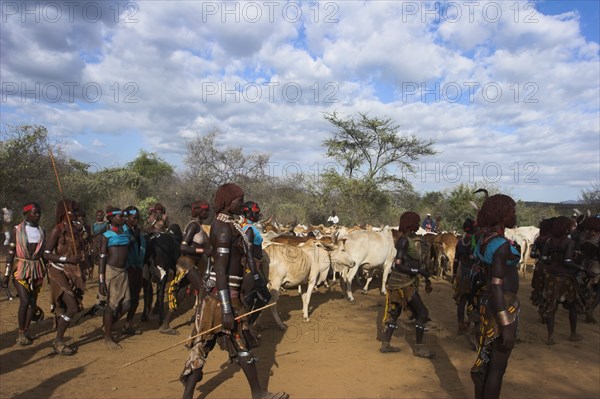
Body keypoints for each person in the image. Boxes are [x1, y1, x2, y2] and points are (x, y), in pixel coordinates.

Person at [180, 183, 286, 399]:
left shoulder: (231, 226)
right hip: (219, 298)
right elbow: (219, 268)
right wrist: (227, 308)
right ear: (228, 203)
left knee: (238, 342)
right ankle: (189, 395)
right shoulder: (221, 228)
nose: (241, 203)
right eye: (239, 200)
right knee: (204, 345)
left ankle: (257, 393)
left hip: (229, 294)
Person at [471, 194, 520, 399]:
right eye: (512, 211)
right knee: (497, 368)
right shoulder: (500, 244)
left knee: (487, 360)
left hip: (488, 302)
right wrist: (506, 324)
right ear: (502, 215)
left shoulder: (484, 238)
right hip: (502, 303)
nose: (515, 215)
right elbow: (497, 284)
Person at [380, 211, 435, 358]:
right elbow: (398, 265)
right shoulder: (404, 241)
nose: (418, 225)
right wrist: (419, 271)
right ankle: (419, 347)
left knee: (395, 313)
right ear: (410, 224)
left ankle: (386, 344)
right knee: (422, 313)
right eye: (416, 223)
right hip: (403, 282)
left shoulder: (409, 240)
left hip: (400, 282)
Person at [160, 200, 210, 335]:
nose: (208, 213)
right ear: (200, 211)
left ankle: (165, 325)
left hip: (192, 264)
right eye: (206, 210)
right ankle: (200, 324)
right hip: (187, 263)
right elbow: (183, 247)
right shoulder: (193, 226)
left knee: (181, 294)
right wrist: (203, 251)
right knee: (203, 290)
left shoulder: (198, 225)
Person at [44, 199, 87, 355]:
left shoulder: (76, 230)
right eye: (73, 211)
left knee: (70, 306)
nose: (76, 213)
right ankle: (58, 341)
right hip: (58, 272)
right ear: (64, 213)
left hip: (72, 272)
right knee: (73, 307)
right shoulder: (58, 230)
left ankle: (59, 333)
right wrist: (67, 260)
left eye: (76, 210)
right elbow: (47, 254)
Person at [2, 202, 45, 346]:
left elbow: (43, 253)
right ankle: (21, 333)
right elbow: (11, 252)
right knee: (25, 301)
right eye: (34, 213)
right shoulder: (17, 230)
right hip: (20, 268)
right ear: (26, 214)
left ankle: (26, 331)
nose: (37, 215)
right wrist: (7, 274)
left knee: (32, 303)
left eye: (39, 213)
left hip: (37, 269)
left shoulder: (41, 231)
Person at [539, 216, 585, 344]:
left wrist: (552, 261)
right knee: (573, 306)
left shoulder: (549, 241)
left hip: (551, 277)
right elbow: (568, 261)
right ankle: (573, 334)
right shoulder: (569, 242)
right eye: (570, 226)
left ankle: (550, 336)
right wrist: (581, 268)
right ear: (566, 228)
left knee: (551, 306)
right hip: (566, 278)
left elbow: (543, 258)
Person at [98, 206, 132, 350]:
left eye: (123, 216)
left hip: (123, 272)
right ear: (111, 218)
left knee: (127, 305)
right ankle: (107, 337)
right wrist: (101, 280)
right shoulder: (106, 236)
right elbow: (102, 259)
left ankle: (107, 325)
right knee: (111, 306)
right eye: (120, 216)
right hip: (111, 272)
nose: (122, 218)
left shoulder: (126, 233)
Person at [240, 201, 269, 325]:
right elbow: (249, 254)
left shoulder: (244, 227)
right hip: (251, 268)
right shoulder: (249, 230)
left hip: (253, 266)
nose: (258, 215)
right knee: (263, 298)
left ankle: (247, 327)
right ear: (250, 213)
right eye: (256, 213)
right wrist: (255, 274)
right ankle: (246, 326)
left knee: (251, 299)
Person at [122, 206, 146, 336]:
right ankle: (109, 324)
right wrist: (134, 236)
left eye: (138, 218)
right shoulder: (123, 231)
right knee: (126, 299)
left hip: (138, 267)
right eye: (134, 218)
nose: (137, 220)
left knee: (135, 298)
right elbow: (123, 245)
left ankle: (128, 325)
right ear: (127, 218)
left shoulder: (137, 231)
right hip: (127, 268)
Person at [453, 218, 477, 335]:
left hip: (461, 273)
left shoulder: (460, 242)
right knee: (474, 301)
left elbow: (456, 260)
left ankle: (460, 324)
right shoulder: (475, 241)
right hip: (473, 275)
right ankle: (470, 324)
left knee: (462, 301)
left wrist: (453, 274)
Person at [529, 217, 554, 320]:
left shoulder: (539, 239)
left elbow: (533, 254)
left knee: (539, 288)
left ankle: (541, 310)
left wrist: (541, 257)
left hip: (539, 267)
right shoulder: (552, 240)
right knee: (549, 290)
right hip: (551, 269)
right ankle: (546, 312)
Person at [91, 210, 108, 281]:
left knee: (102, 258)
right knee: (96, 258)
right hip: (95, 243)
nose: (99, 217)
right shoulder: (94, 225)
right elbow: (92, 234)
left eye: (101, 215)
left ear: (103, 216)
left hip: (103, 243)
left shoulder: (106, 224)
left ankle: (101, 276)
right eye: (98, 215)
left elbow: (107, 233)